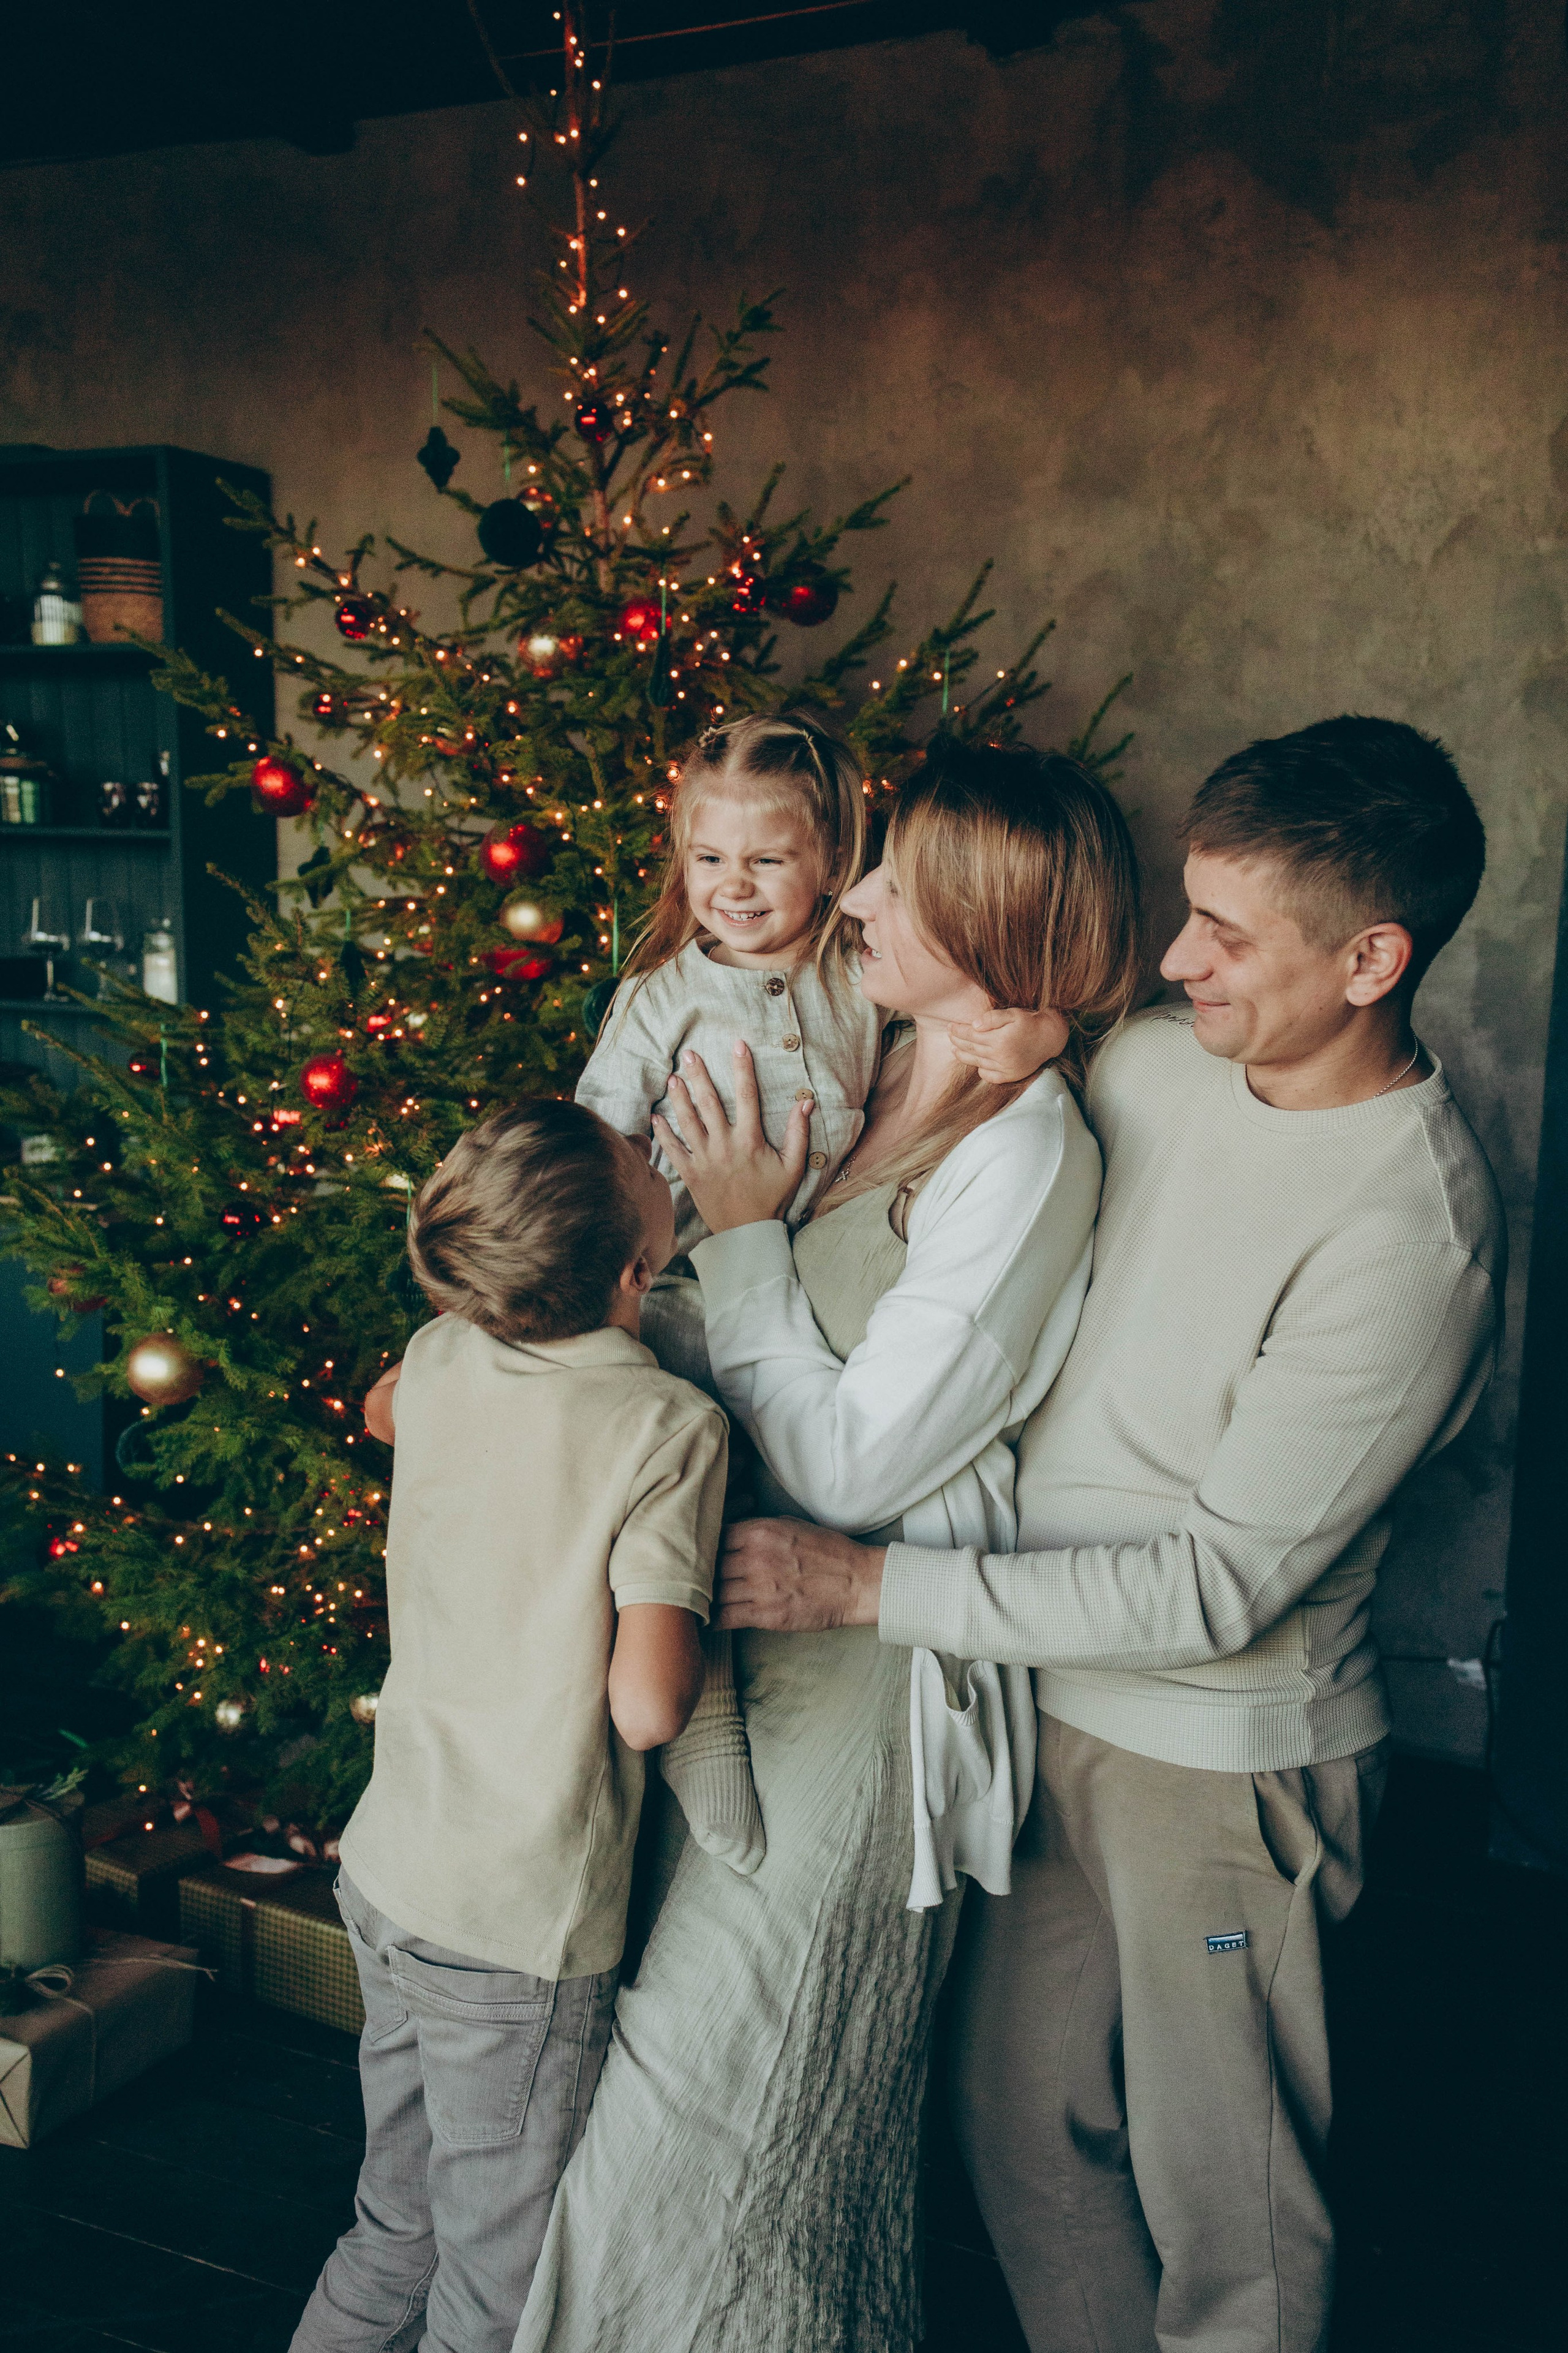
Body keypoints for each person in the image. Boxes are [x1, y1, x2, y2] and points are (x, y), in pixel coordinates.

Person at [719, 717, 1505, 2353]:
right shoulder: (1151, 1057)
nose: (1176, 956)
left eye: (1226, 932)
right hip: (1040, 1711)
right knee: (1019, 2127)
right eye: (1186, 914)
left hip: (1220, 1775)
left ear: (1373, 959)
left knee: (1230, 2195)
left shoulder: (1409, 1232)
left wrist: (874, 1588)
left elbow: (1219, 1582)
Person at [512, 738, 1141, 2353]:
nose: (844, 894)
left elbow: (860, 1459)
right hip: (719, 1660)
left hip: (857, 1711)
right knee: (699, 2123)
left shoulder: (1026, 1153)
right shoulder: (873, 1068)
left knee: (717, 2129)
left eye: (892, 881)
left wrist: (743, 1235)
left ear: (983, 922)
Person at [576, 712, 1064, 1877]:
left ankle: (699, 1715)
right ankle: (699, 1729)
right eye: (707, 861)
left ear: (831, 863)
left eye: (767, 861)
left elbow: (972, 992)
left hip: (779, 1290)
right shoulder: (659, 1002)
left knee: (736, 1505)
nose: (732, 889)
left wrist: (1040, 1027)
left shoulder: (860, 975)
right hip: (677, 1289)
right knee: (673, 1509)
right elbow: (586, 1150)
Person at [290, 1100, 728, 2353]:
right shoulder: (667, 1428)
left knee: (393, 2227)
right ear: (638, 1269)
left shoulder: (435, 1359)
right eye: (647, 1165)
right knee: (493, 2289)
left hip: (390, 1870)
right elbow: (647, 1706)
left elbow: (379, 1409)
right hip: (513, 1927)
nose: (659, 1147)